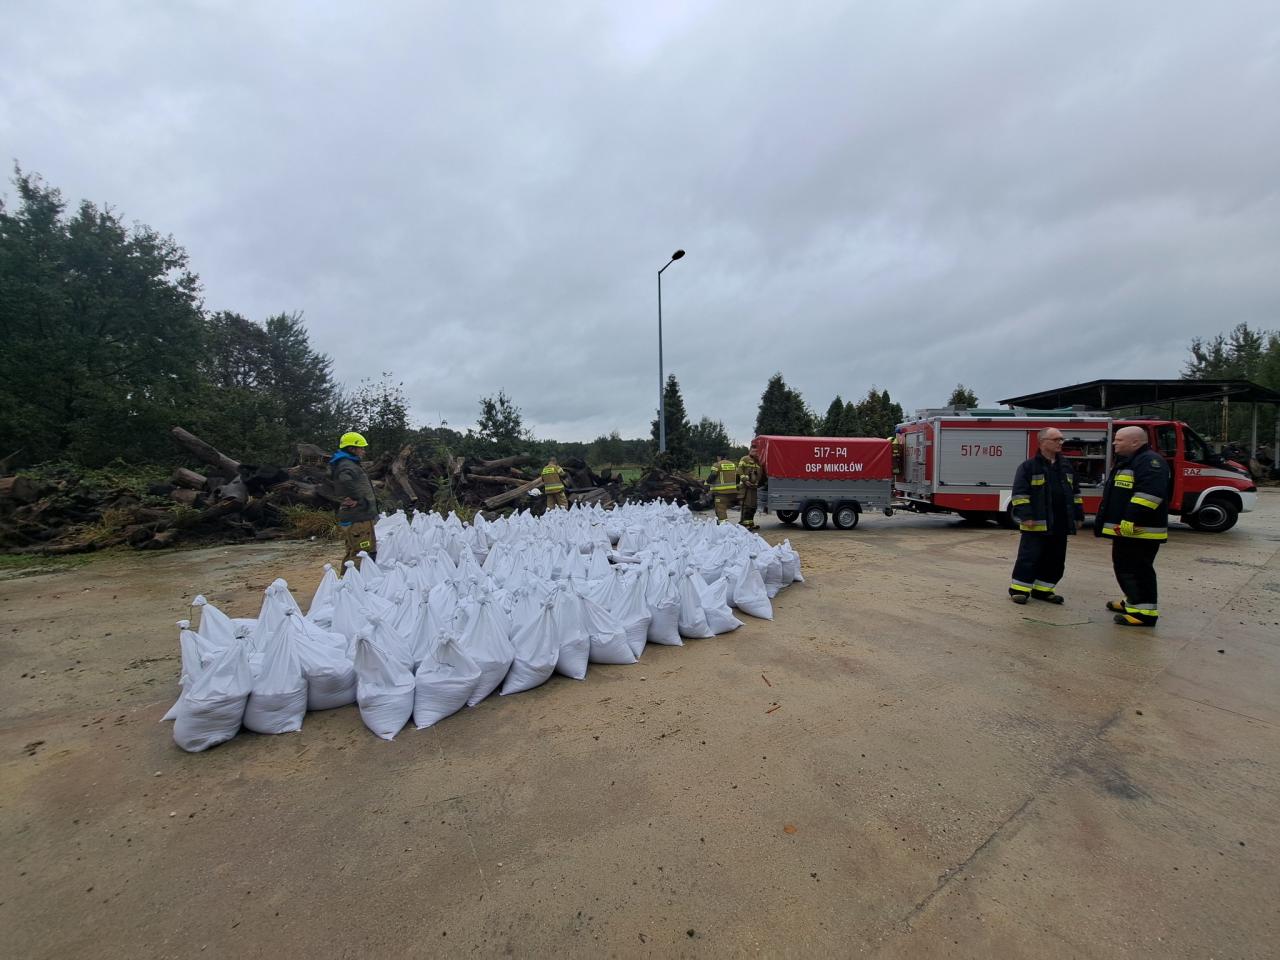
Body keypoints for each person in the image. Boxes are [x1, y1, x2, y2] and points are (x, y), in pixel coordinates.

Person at [1095, 425, 1170, 627]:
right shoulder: (1132, 461)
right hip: (1129, 530)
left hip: (1139, 530)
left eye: (1119, 440)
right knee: (1126, 566)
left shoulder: (1150, 462)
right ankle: (1133, 601)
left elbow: (1149, 496)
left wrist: (1130, 519)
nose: (1114, 443)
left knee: (1136, 569)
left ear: (1135, 442)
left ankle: (1144, 613)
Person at [1008, 427, 1084, 604]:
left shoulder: (1066, 467)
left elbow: (1076, 494)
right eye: (1056, 439)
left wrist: (1078, 516)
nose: (1060, 442)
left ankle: (1044, 590)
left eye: (1061, 439)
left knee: (1056, 558)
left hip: (1060, 522)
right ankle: (1019, 589)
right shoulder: (1028, 467)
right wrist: (1026, 516)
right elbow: (1019, 494)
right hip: (1037, 522)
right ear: (1042, 442)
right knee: (1029, 557)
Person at [330, 431, 378, 571]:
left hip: (360, 516)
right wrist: (358, 499)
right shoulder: (347, 465)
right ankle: (355, 585)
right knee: (362, 552)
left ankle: (348, 584)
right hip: (358, 516)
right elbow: (345, 480)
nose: (363, 451)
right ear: (352, 449)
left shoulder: (348, 463)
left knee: (355, 550)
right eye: (361, 448)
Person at [707, 453, 738, 523]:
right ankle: (721, 523)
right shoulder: (733, 464)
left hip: (721, 492)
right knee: (725, 507)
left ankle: (723, 526)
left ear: (719, 457)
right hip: (733, 492)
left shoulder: (717, 464)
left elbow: (713, 475)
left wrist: (707, 482)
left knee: (720, 509)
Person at [737, 446, 763, 530]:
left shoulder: (758, 462)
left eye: (756, 452)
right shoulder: (744, 459)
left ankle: (751, 523)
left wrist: (757, 482)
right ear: (750, 451)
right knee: (746, 506)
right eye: (753, 451)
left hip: (754, 488)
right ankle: (744, 524)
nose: (755, 453)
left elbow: (760, 474)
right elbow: (739, 470)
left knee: (753, 506)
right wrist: (745, 480)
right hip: (746, 487)